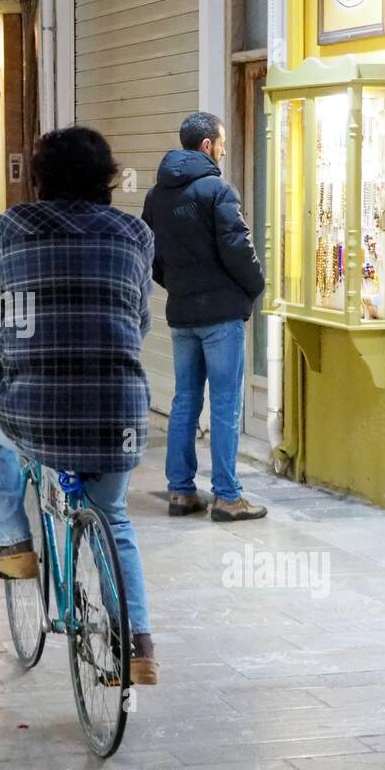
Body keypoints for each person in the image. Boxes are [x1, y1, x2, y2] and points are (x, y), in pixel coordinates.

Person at [0, 127, 159, 684]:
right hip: (119, 410)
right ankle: (138, 645)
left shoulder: (16, 227)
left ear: (41, 179)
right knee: (114, 517)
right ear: (109, 178)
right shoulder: (135, 233)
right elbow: (137, 318)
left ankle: (13, 544)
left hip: (36, 409)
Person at [143, 111, 267, 522]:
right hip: (221, 316)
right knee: (226, 404)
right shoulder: (218, 190)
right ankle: (228, 497)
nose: (225, 148)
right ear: (207, 146)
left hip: (182, 315)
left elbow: (151, 258)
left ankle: (181, 492)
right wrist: (252, 287)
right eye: (223, 142)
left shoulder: (157, 196)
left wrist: (178, 286)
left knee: (185, 401)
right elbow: (238, 250)